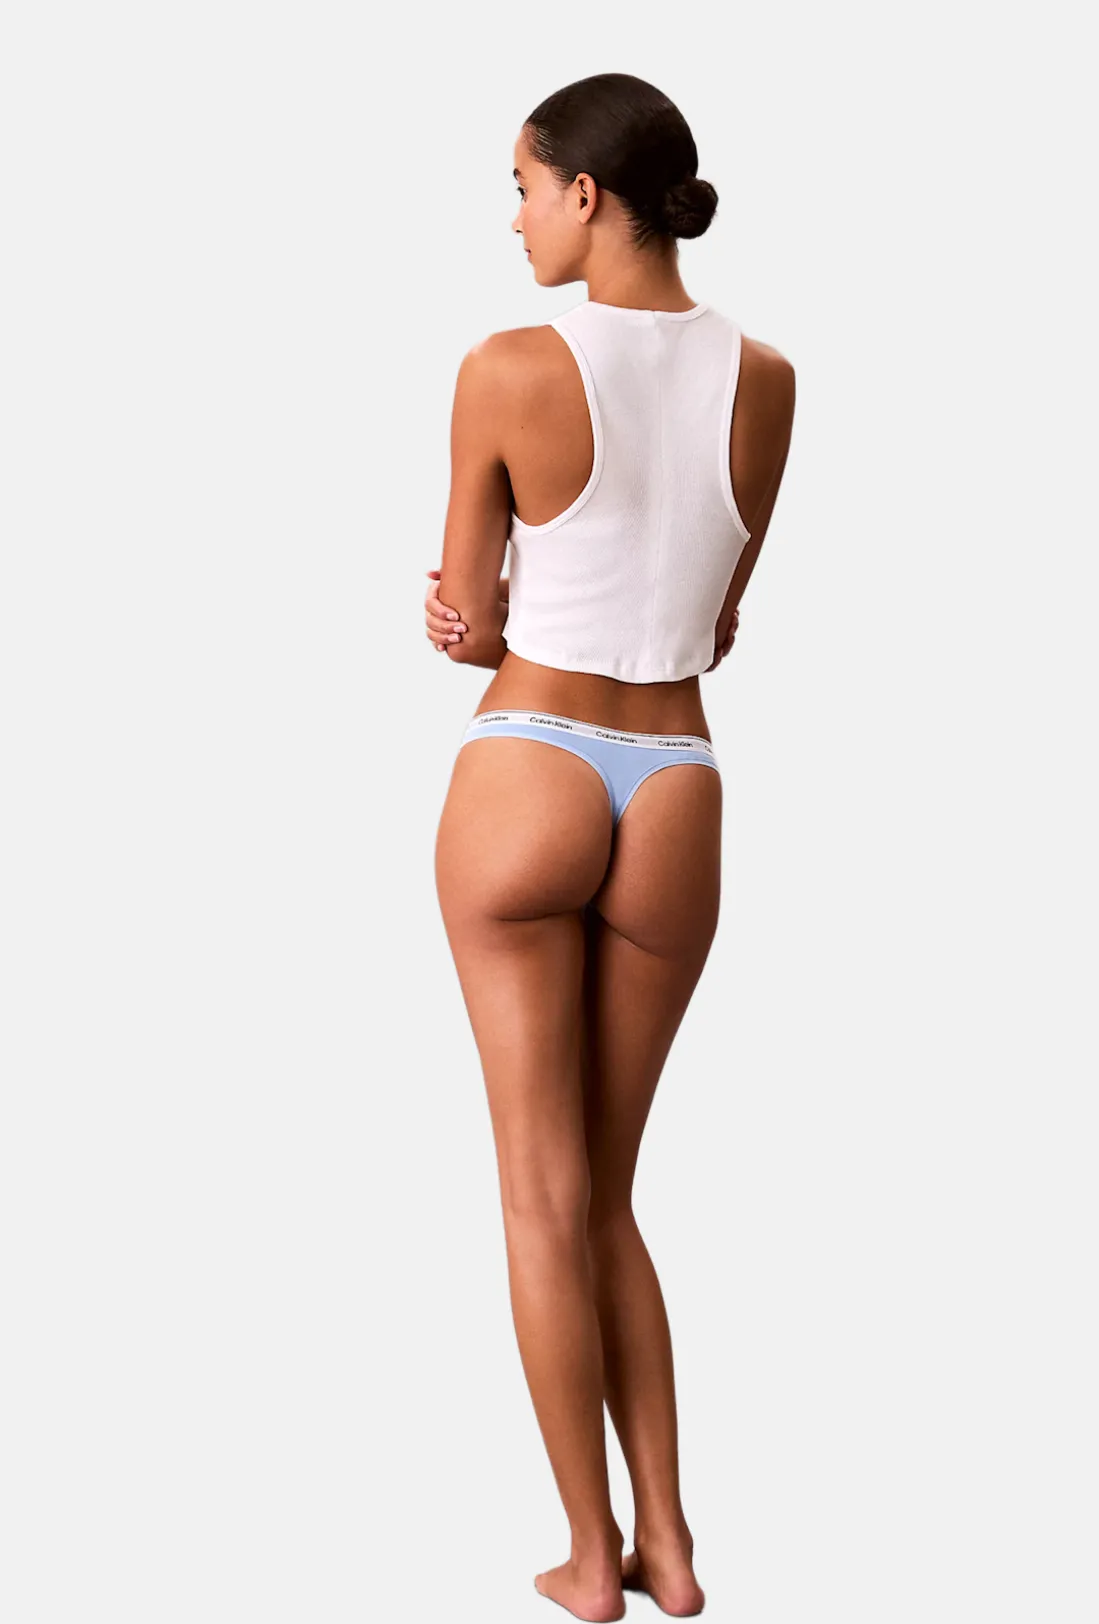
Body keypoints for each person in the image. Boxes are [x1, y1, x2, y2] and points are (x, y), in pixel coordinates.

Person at [429, 72, 795, 1623]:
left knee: (539, 1192)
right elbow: (715, 619)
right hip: (680, 784)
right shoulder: (767, 379)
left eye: (523, 188)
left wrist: (469, 618)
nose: (515, 219)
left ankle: (589, 1558)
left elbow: (471, 620)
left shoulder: (509, 364)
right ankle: (675, 1547)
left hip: (533, 764)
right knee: (610, 1198)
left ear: (587, 194)